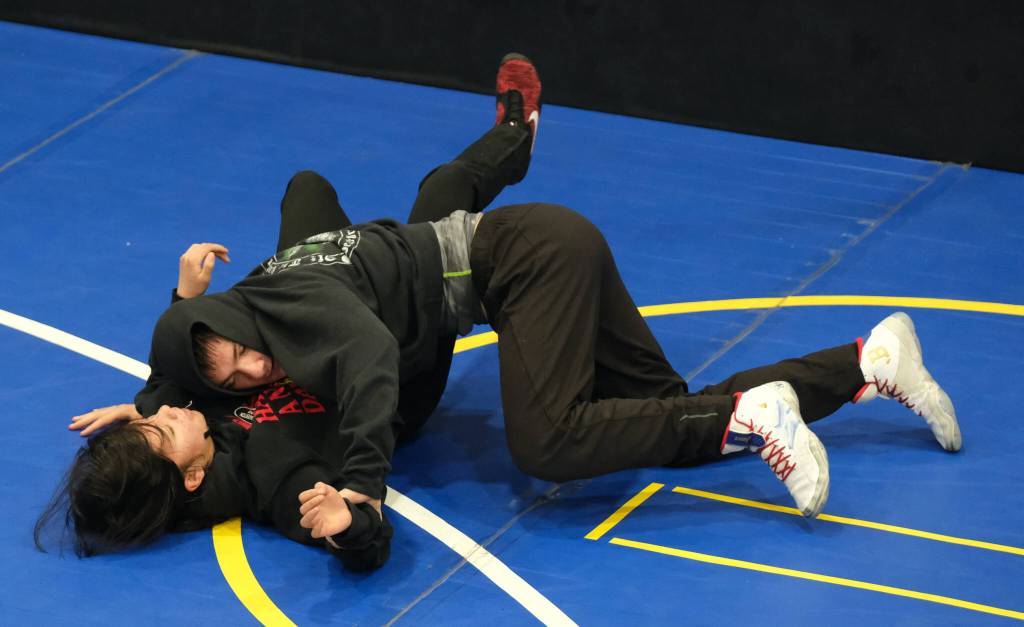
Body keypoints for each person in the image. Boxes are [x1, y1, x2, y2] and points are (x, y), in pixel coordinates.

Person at [35, 53, 545, 566]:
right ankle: (514, 134)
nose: (169, 411)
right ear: (192, 476)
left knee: (308, 189)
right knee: (445, 190)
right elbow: (360, 534)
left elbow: (168, 380)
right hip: (387, 366)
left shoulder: (185, 420)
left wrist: (183, 305)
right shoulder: (275, 475)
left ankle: (359, 264)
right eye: (164, 427)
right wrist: (349, 526)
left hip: (302, 329)